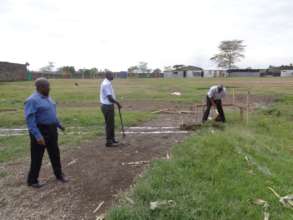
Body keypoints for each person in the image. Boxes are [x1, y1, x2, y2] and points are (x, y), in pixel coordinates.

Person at [24, 78, 68, 188]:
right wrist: (38, 136)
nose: (50, 88)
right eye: (47, 86)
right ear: (40, 87)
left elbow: (51, 114)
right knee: (37, 156)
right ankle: (32, 180)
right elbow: (30, 120)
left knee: (55, 153)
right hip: (40, 130)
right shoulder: (32, 100)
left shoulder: (48, 98)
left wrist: (59, 125)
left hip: (52, 130)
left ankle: (59, 175)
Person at [100, 71, 122, 147]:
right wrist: (117, 103)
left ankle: (112, 139)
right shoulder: (106, 84)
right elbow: (109, 98)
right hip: (107, 106)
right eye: (112, 75)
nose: (113, 76)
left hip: (108, 106)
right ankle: (109, 142)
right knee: (109, 124)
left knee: (111, 124)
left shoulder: (107, 82)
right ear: (108, 75)